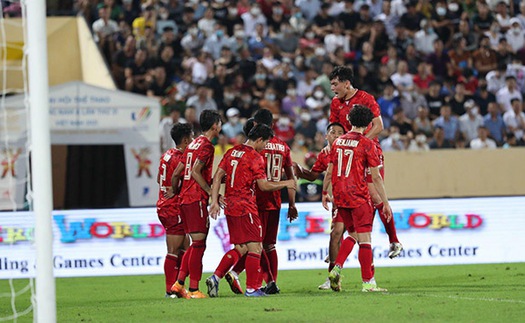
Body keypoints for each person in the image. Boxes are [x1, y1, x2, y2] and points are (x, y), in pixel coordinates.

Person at [205, 124, 296, 298]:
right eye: (265, 143)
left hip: (230, 206)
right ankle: (253, 288)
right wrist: (286, 183)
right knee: (256, 247)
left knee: (241, 247)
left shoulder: (232, 152)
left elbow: (217, 176)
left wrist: (214, 200)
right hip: (246, 206)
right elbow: (264, 185)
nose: (265, 147)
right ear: (260, 139)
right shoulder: (255, 157)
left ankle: (216, 277)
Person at [328, 65, 402, 258]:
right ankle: (337, 243)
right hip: (347, 156)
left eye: (335, 84)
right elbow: (335, 130)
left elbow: (379, 126)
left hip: (368, 153)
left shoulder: (365, 99)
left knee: (375, 197)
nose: (333, 88)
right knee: (345, 196)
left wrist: (360, 146)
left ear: (346, 83)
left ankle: (393, 240)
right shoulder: (335, 103)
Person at [322, 104, 392, 292]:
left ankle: (336, 268)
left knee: (352, 234)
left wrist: (324, 192)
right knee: (365, 239)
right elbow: (375, 177)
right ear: (369, 124)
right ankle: (368, 283)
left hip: (340, 196)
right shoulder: (368, 144)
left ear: (350, 121)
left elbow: (329, 171)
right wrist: (385, 202)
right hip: (358, 195)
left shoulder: (337, 143)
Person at [170, 110, 222, 299]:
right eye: (220, 122)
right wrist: (210, 192)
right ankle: (193, 290)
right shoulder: (207, 146)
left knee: (196, 243)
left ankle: (178, 283)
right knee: (199, 244)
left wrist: (175, 192)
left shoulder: (193, 144)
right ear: (215, 125)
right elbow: (195, 172)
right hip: (195, 199)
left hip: (185, 199)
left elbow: (177, 173)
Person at [293, 122, 346, 290]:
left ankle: (369, 279)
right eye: (333, 132)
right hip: (339, 199)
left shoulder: (350, 150)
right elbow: (313, 175)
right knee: (336, 234)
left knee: (359, 237)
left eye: (340, 133)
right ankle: (333, 277)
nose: (336, 135)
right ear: (326, 136)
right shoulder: (324, 154)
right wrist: (298, 169)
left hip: (357, 196)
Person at [156, 123, 193, 298]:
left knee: (186, 247)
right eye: (191, 138)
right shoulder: (180, 159)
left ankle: (179, 286)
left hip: (165, 205)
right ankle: (170, 289)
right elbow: (179, 182)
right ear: (185, 140)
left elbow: (159, 180)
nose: (193, 141)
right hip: (172, 207)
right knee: (174, 249)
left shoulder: (166, 155)